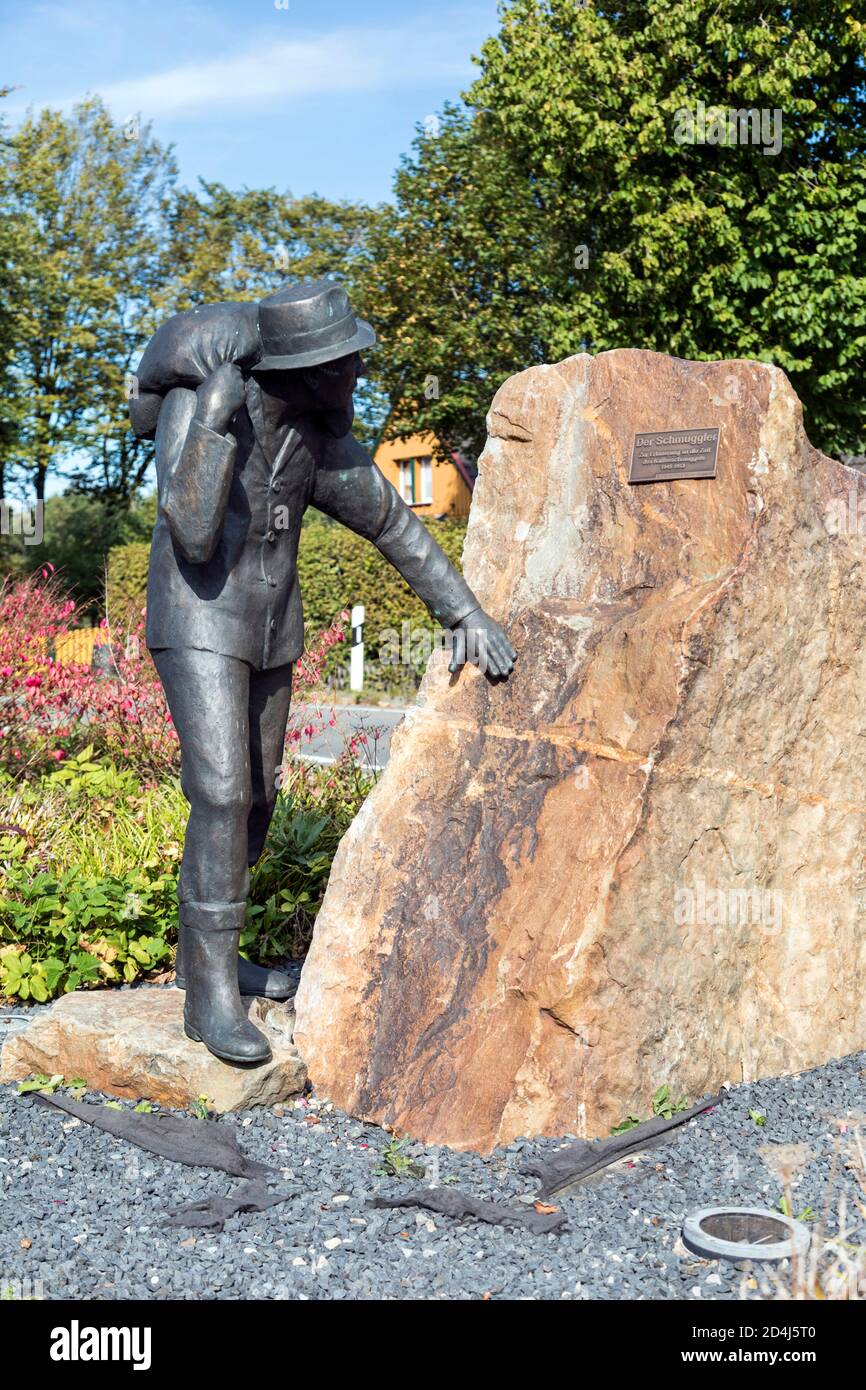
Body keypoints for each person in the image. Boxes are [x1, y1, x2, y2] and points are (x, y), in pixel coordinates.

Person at [136, 280, 517, 1064]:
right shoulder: (204, 412)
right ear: (308, 370)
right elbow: (195, 534)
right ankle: (208, 995)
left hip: (270, 630)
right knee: (219, 791)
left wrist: (465, 614)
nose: (357, 379)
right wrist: (209, 416)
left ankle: (204, 955)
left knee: (260, 796)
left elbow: (391, 523)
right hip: (198, 619)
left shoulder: (316, 440)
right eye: (348, 367)